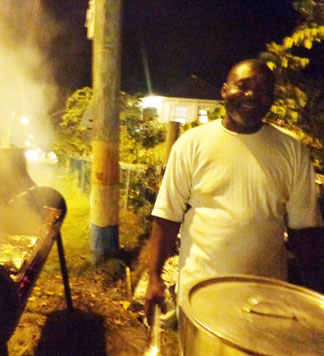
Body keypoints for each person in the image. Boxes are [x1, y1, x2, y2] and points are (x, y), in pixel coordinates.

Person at [144, 59, 324, 325]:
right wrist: (154, 276)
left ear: (271, 99)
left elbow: (304, 229)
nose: (252, 95)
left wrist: (315, 293)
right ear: (224, 90)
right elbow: (168, 215)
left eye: (263, 89)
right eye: (244, 86)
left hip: (267, 300)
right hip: (201, 294)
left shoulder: (291, 150)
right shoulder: (192, 145)